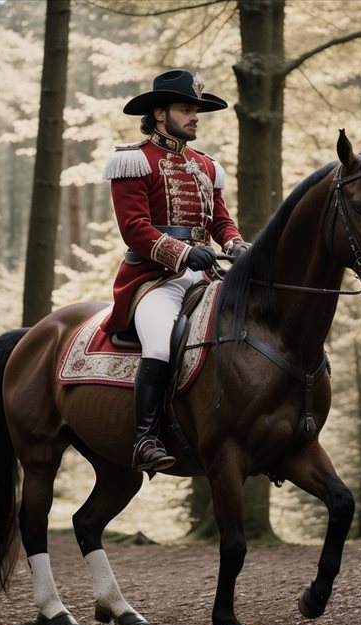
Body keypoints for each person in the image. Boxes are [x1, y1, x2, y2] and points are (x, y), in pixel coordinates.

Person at [101, 69, 249, 473]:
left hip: (206, 277)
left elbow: (220, 222)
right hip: (154, 281)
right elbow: (134, 229)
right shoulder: (133, 160)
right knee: (160, 345)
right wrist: (182, 253)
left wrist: (236, 244)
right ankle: (145, 439)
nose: (195, 116)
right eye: (187, 109)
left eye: (197, 110)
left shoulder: (205, 165)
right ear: (160, 113)